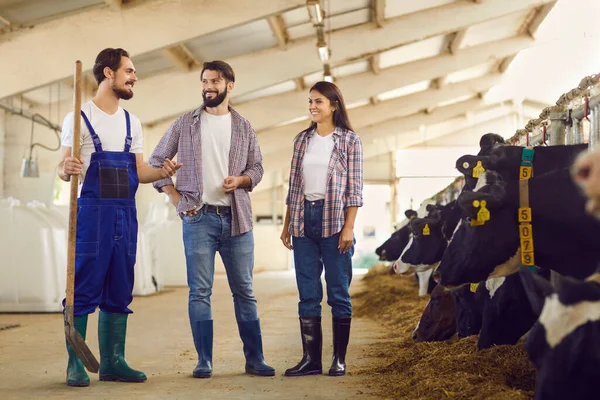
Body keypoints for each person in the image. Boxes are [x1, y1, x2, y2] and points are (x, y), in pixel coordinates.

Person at [57, 48, 181, 387]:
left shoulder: (132, 122)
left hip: (126, 215)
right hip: (92, 215)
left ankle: (113, 362)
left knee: (120, 286)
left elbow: (139, 171)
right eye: (129, 71)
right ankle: (76, 362)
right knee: (82, 286)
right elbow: (62, 166)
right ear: (108, 73)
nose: (134, 77)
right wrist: (65, 168)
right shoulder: (78, 117)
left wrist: (162, 171)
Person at [148, 60, 274, 378]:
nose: (208, 86)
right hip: (198, 219)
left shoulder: (244, 126)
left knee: (244, 290)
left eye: (215, 81)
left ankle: (255, 358)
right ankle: (204, 360)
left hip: (237, 219)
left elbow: (257, 168)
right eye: (205, 80)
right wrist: (176, 198)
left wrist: (242, 180)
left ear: (230, 85)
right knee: (199, 292)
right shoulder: (185, 124)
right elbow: (155, 163)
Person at [280, 81, 364, 377]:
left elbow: (354, 191)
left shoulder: (349, 141)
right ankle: (310, 360)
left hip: (335, 221)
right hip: (304, 219)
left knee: (338, 292)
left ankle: (338, 360)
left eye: (318, 101)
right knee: (308, 293)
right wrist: (287, 224)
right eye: (310, 102)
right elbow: (294, 186)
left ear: (334, 106)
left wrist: (349, 228)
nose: (313, 106)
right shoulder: (302, 140)